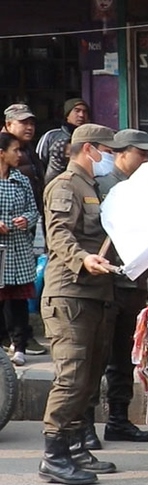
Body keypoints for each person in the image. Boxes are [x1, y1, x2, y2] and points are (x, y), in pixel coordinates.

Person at [38, 124, 121, 485]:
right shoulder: (65, 185)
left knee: (87, 378)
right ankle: (53, 456)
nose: (112, 158)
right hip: (69, 292)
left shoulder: (92, 187)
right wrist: (82, 259)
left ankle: (72, 448)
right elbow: (58, 233)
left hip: (93, 294)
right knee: (71, 377)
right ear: (89, 149)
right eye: (108, 150)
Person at [91, 129, 148, 444]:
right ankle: (84, 424)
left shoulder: (141, 187)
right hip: (107, 283)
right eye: (140, 153)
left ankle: (118, 419)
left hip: (133, 282)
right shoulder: (102, 185)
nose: (145, 158)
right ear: (121, 152)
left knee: (122, 355)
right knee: (96, 356)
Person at [3, 104, 49, 356]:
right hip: (4, 244)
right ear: (8, 125)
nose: (29, 127)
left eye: (31, 122)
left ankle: (20, 340)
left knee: (17, 293)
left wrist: (28, 219)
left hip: (20, 242)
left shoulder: (26, 158)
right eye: (23, 123)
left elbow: (33, 205)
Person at [0, 133, 38, 366]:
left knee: (18, 301)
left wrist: (26, 219)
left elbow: (34, 211)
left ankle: (20, 345)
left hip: (18, 249)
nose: (20, 155)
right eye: (15, 150)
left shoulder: (21, 179)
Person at [39, 98, 90, 185]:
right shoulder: (51, 136)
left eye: (84, 112)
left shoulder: (90, 138)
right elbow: (40, 163)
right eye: (77, 111)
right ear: (67, 115)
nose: (81, 115)